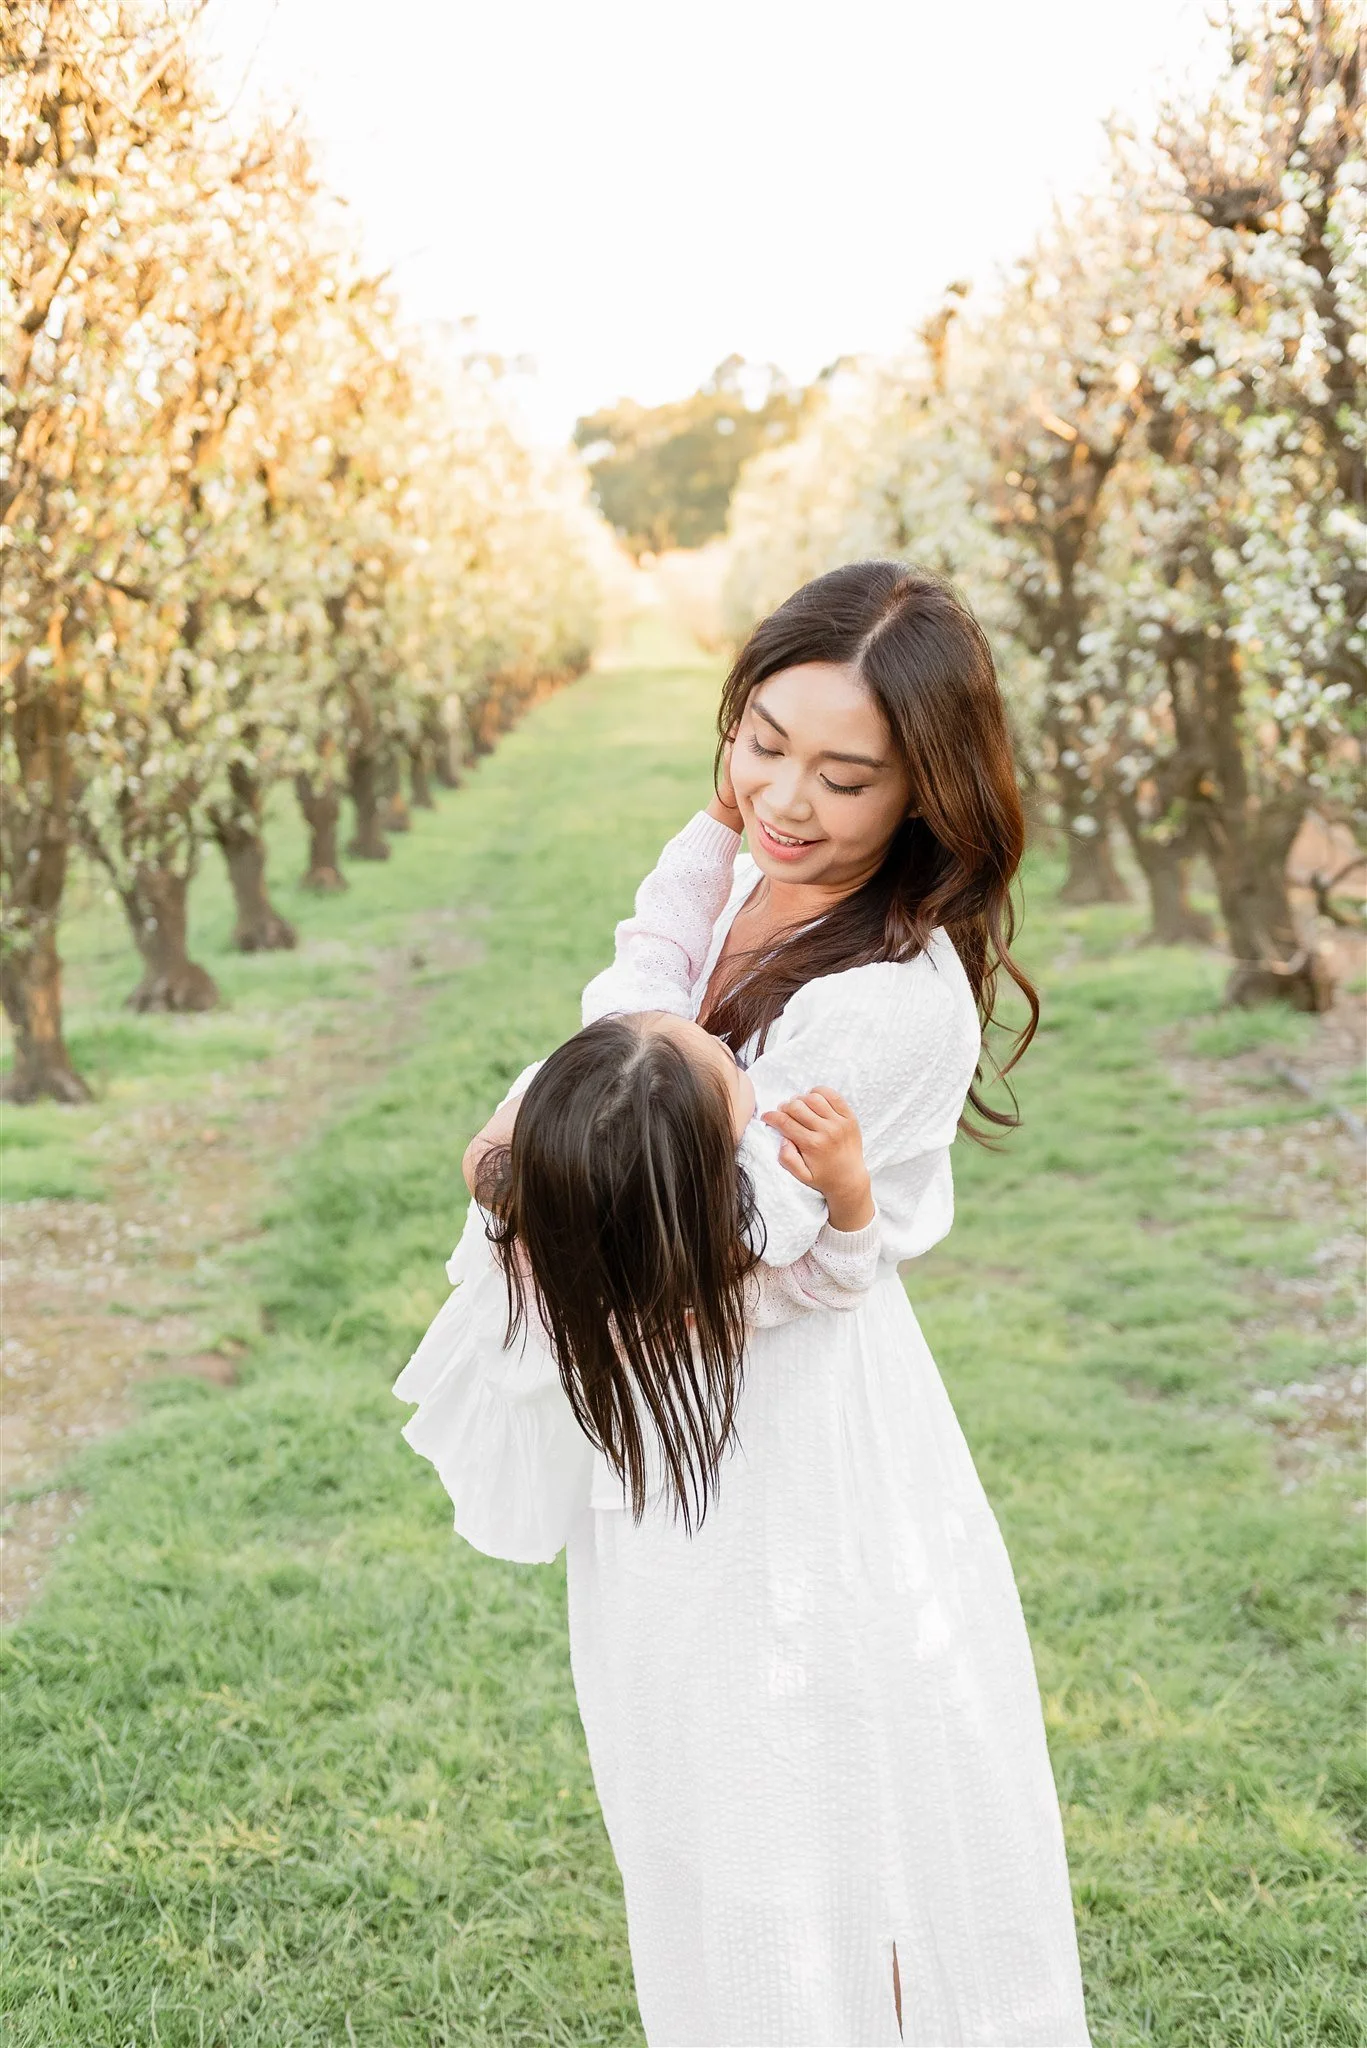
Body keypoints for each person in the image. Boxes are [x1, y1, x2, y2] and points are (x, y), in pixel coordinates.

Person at [397, 562, 1093, 2046]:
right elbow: (634, 1003)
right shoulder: (729, 866)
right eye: (762, 740)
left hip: (783, 1449)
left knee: (811, 1791)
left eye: (844, 779)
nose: (782, 799)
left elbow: (714, 1233)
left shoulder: (890, 1004)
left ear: (927, 792)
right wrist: (546, 1139)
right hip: (669, 1422)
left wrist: (533, 1174)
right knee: (688, 1792)